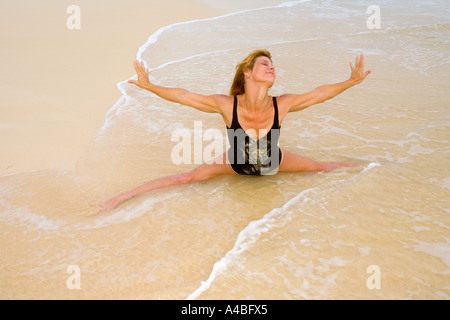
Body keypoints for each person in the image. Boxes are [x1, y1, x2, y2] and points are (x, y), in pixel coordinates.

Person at [100, 50, 371, 211]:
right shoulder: (226, 105)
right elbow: (183, 95)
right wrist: (149, 86)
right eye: (265, 63)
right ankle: (119, 198)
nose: (271, 67)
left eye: (272, 64)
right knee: (185, 178)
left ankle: (376, 167)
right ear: (248, 73)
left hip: (273, 161)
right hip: (235, 164)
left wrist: (352, 81)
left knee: (324, 167)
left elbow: (319, 94)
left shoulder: (283, 104)